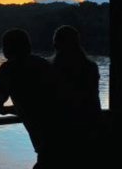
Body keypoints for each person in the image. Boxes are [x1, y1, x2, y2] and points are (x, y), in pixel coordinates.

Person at [0, 28, 57, 168]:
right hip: (73, 138)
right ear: (29, 47)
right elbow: (39, 105)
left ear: (6, 50)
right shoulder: (45, 65)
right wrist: (6, 110)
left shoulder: (8, 69)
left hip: (50, 148)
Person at [50, 25, 102, 167]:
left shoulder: (53, 69)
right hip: (92, 128)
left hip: (64, 135)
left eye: (55, 42)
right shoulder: (91, 67)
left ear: (57, 44)